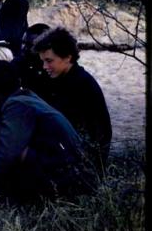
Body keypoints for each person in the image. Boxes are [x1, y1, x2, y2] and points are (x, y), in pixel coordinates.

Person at [0, 60, 96, 203]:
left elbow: (7, 155)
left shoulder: (17, 104)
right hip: (76, 167)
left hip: (64, 175)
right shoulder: (28, 97)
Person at [33, 27, 112, 173]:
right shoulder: (61, 78)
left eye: (49, 61)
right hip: (74, 149)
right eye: (43, 61)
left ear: (67, 57)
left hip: (84, 160)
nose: (45, 66)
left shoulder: (81, 84)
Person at [11, 23, 51, 101]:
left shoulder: (52, 68)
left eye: (30, 45)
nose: (24, 48)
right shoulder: (20, 62)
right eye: (23, 43)